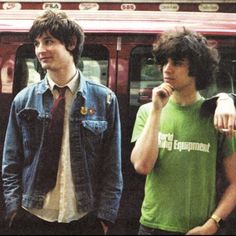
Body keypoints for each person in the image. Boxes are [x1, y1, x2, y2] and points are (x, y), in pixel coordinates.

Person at [2, 10, 123, 235]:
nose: (40, 50)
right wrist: (13, 209)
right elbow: (11, 162)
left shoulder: (104, 99)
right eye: (37, 43)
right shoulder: (23, 100)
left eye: (48, 41)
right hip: (33, 215)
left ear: (71, 43)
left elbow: (112, 166)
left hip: (84, 217)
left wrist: (106, 217)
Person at [130, 28, 236, 235]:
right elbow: (142, 165)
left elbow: (235, 182)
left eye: (177, 63)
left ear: (196, 69)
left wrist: (213, 224)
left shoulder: (215, 115)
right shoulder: (147, 112)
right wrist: (156, 111)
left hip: (198, 228)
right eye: (165, 62)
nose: (167, 69)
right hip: (152, 226)